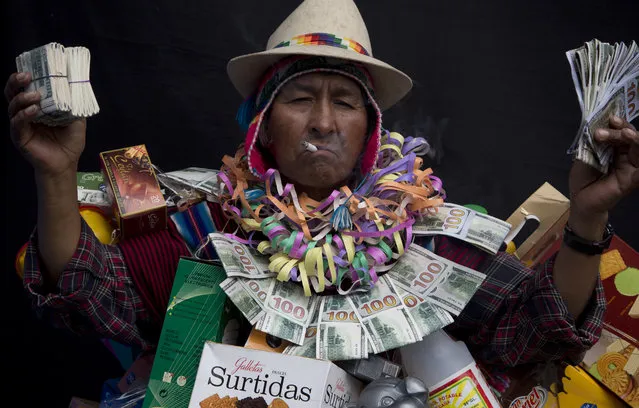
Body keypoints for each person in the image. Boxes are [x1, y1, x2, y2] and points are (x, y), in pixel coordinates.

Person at [6, 0, 638, 396]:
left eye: (345, 103)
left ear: (372, 130)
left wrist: (588, 216)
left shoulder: (433, 240)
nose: (324, 123)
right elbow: (92, 298)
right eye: (301, 98)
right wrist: (57, 175)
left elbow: (534, 333)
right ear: (260, 124)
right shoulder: (202, 224)